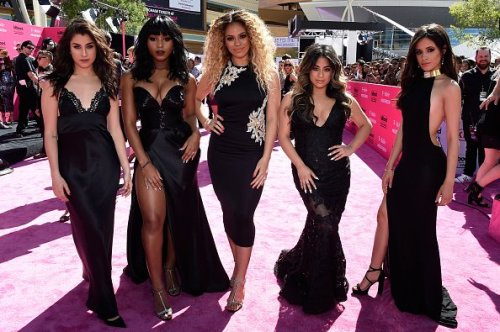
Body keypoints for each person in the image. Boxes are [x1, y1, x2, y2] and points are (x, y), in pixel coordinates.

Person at [121, 15, 229, 321]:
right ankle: (157, 287)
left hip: (181, 152)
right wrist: (143, 162)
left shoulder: (187, 78)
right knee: (153, 219)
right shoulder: (130, 77)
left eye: (165, 39)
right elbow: (130, 123)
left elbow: (190, 117)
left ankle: (170, 266)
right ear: (145, 42)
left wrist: (196, 133)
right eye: (153, 38)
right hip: (148, 152)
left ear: (174, 42)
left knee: (178, 216)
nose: (159, 45)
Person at [42, 18, 131, 328]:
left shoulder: (107, 83)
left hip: (104, 168)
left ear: (98, 48)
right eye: (77, 46)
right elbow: (50, 134)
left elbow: (115, 129)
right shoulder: (52, 84)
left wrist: (126, 169)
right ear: (68, 48)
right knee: (88, 227)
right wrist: (55, 174)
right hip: (72, 170)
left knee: (101, 230)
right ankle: (104, 300)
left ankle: (92, 272)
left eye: (89, 46)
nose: (83, 53)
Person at [274, 43, 372, 314]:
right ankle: (319, 291)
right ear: (308, 69)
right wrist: (301, 167)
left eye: (326, 69)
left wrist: (350, 149)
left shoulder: (344, 100)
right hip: (306, 174)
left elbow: (367, 126)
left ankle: (305, 268)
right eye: (316, 68)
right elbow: (283, 137)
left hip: (337, 176)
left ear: (334, 72)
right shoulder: (293, 98)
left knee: (322, 225)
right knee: (326, 224)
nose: (320, 75)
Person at [195, 9, 280, 312]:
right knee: (230, 212)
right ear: (223, 42)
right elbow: (195, 99)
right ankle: (238, 268)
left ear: (253, 37)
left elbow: (272, 120)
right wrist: (205, 121)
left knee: (243, 214)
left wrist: (266, 159)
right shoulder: (216, 71)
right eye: (230, 38)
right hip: (220, 154)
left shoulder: (268, 73)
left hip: (252, 154)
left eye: (242, 36)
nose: (237, 43)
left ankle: (240, 279)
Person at [384, 23, 460, 328]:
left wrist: (450, 180)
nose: (425, 56)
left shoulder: (449, 86)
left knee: (423, 229)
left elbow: (453, 138)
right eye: (419, 51)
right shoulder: (413, 84)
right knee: (400, 223)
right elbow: (404, 128)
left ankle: (425, 293)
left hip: (429, 166)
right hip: (407, 165)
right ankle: (406, 287)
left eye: (430, 50)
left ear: (443, 50)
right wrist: (390, 165)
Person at [455, 47, 493, 184]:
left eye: (486, 56)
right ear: (476, 58)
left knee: (486, 150)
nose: (483, 58)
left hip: (489, 120)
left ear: (490, 57)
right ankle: (468, 174)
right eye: (480, 56)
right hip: (470, 119)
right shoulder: (466, 76)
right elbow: (458, 98)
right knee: (471, 146)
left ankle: (484, 177)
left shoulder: (495, 76)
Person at [468, 70, 500, 204]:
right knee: (490, 161)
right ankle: (477, 187)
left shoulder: (496, 73)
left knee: (489, 161)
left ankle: (475, 194)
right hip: (495, 121)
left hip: (490, 120)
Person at [15, 40, 38, 137]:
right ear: (23, 47)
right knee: (36, 108)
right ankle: (44, 128)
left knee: (24, 109)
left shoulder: (26, 58)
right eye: (29, 47)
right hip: (27, 88)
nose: (31, 50)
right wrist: (41, 83)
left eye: (32, 48)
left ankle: (20, 130)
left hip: (23, 88)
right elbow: (31, 74)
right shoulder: (24, 59)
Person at [33, 50, 53, 159]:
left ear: (48, 59)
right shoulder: (39, 70)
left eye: (40, 58)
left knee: (48, 128)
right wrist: (37, 106)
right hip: (42, 101)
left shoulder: (53, 72)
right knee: (44, 127)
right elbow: (39, 90)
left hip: (50, 103)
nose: (37, 59)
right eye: (37, 57)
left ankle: (47, 150)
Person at [0, 51, 15, 128]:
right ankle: (3, 121)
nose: (3, 56)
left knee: (8, 102)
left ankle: (9, 120)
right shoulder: (1, 62)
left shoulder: (9, 62)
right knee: (2, 103)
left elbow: (12, 70)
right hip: (2, 85)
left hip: (9, 85)